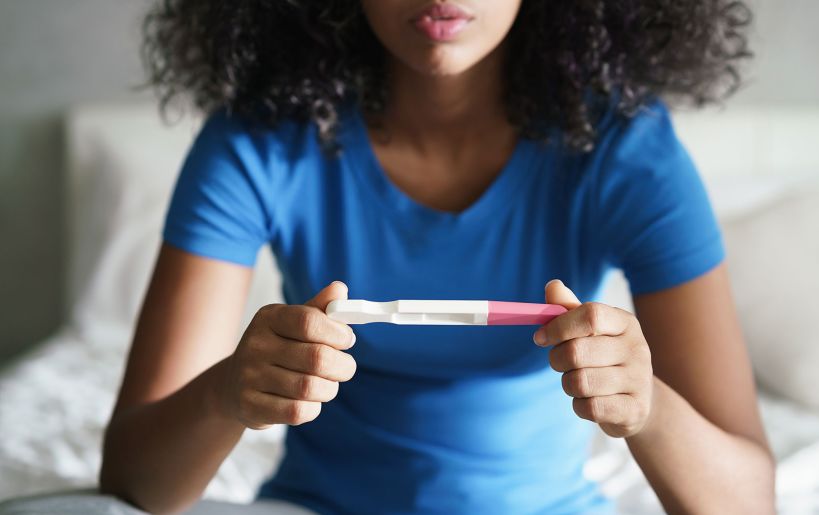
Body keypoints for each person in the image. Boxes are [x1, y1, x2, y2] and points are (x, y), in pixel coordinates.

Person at [84, 0, 774, 513]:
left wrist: (647, 405)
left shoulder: (626, 149)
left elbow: (749, 499)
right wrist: (227, 390)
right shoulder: (255, 141)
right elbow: (134, 483)